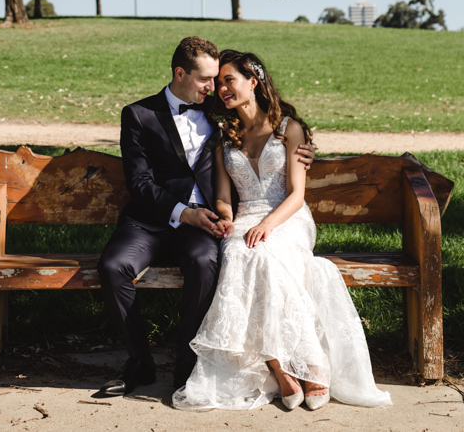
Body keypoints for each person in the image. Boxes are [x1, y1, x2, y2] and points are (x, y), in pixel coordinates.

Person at [173, 49, 392, 412]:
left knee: (267, 253)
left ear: (253, 82)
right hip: (245, 216)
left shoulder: (289, 128)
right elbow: (225, 198)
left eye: (230, 80)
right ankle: (279, 365)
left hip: (287, 216)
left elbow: (296, 195)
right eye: (220, 83)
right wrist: (226, 219)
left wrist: (267, 225)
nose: (222, 89)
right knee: (239, 252)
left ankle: (313, 364)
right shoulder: (224, 136)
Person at [97, 36, 315, 397]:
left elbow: (270, 128)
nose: (213, 88)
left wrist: (306, 151)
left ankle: (187, 367)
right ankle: (140, 361)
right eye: (205, 80)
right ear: (180, 73)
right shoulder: (138, 114)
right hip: (150, 222)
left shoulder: (219, 113)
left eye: (217, 80)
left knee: (205, 262)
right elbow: (139, 182)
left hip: (204, 224)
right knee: (112, 266)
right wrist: (184, 214)